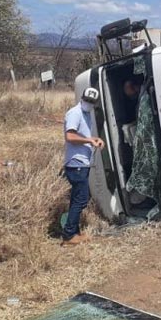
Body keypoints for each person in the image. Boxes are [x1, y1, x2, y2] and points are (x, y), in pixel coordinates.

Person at [61, 87, 105, 246]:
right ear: (82, 98)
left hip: (82, 163)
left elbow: (82, 136)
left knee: (77, 198)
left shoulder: (86, 114)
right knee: (82, 198)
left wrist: (94, 139)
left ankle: (74, 232)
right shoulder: (75, 113)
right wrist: (89, 141)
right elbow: (70, 136)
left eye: (92, 102)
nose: (88, 104)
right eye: (87, 101)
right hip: (76, 163)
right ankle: (68, 236)